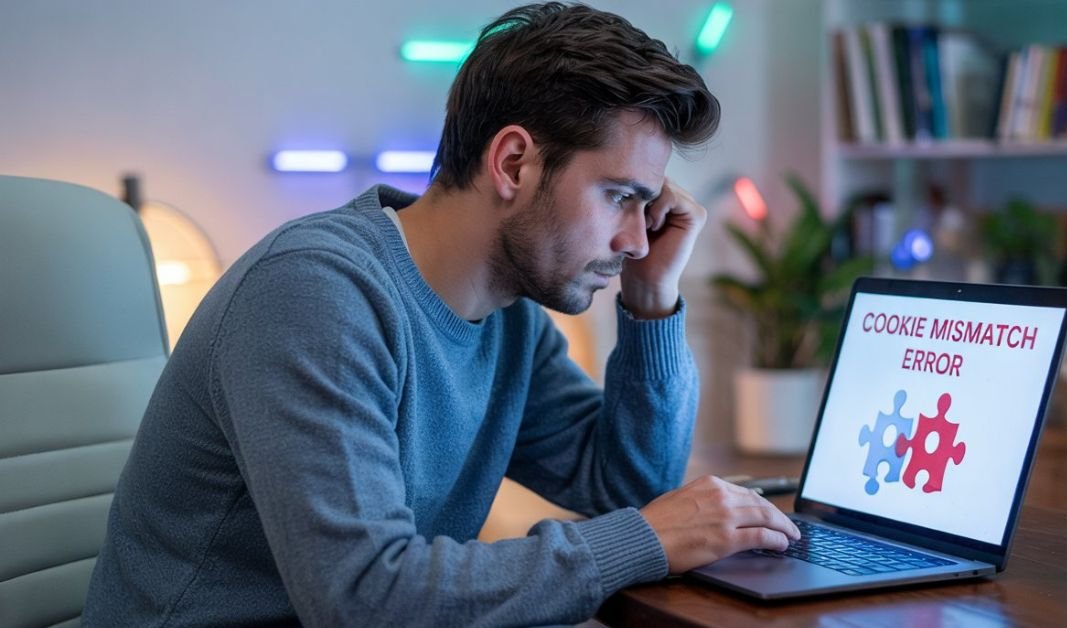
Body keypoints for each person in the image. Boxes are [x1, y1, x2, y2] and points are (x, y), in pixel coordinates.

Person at [85, 2, 800, 625]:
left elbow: (627, 488)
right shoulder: (314, 294)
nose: (638, 238)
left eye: (648, 206)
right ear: (514, 163)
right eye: (620, 197)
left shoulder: (509, 314)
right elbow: (365, 598)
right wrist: (644, 538)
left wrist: (650, 304)